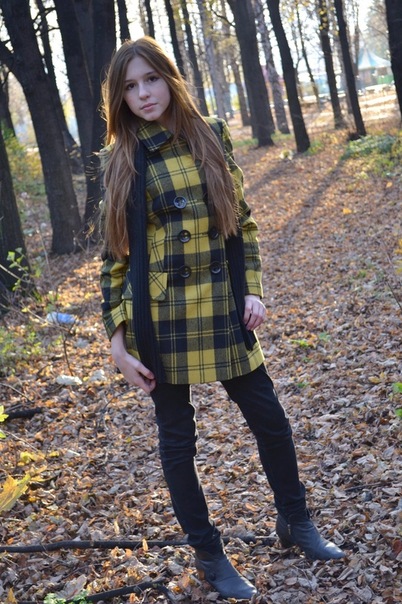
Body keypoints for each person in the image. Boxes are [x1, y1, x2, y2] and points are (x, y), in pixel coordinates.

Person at [99, 36, 345, 600]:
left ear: (170, 79)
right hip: (159, 318)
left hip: (222, 306)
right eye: (131, 87)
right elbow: (114, 258)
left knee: (270, 419)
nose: (144, 94)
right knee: (177, 441)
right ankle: (209, 554)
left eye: (151, 79)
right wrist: (117, 343)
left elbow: (242, 221)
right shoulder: (120, 159)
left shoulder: (209, 133)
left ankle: (296, 521)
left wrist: (251, 289)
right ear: (120, 98)